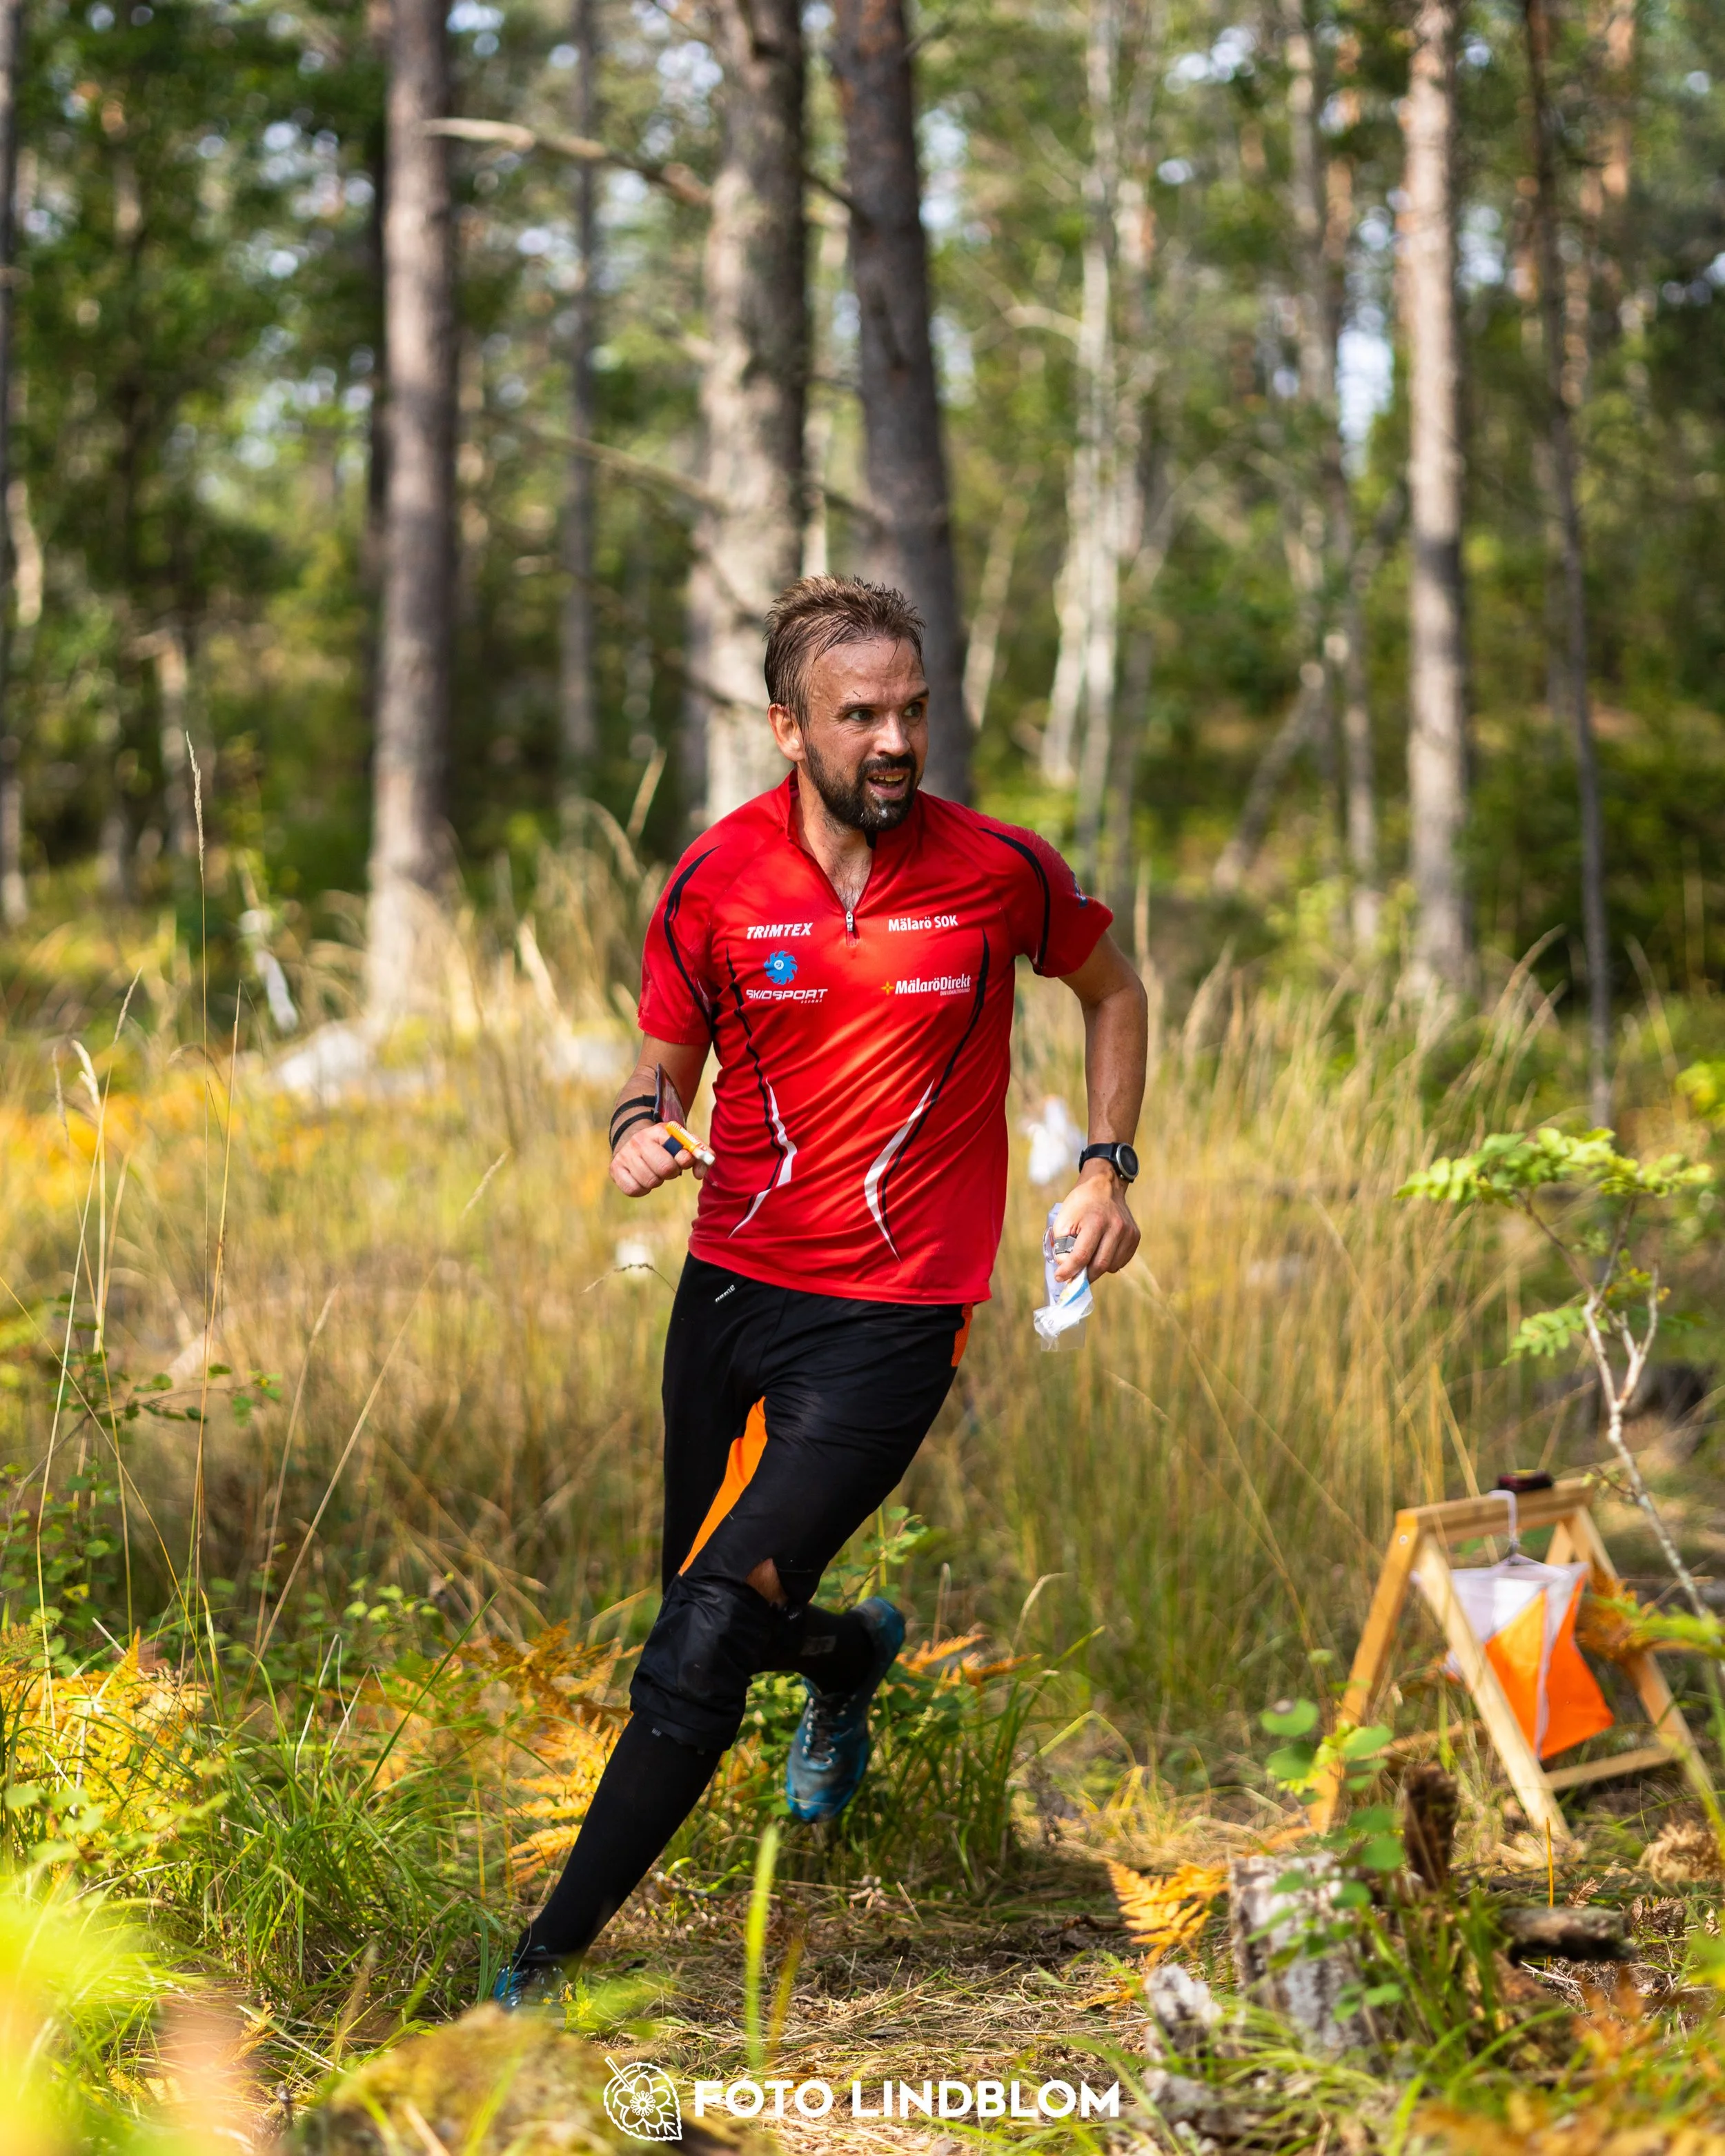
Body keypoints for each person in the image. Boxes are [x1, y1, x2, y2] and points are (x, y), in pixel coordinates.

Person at [495, 575, 1147, 2000]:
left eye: (913, 707)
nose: (897, 738)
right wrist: (630, 1129)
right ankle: (848, 1653)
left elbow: (1113, 990)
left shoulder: (998, 870)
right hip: (730, 1286)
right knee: (697, 1606)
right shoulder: (713, 878)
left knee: (702, 1641)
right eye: (862, 715)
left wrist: (1107, 1165)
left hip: (898, 1312)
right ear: (790, 727)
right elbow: (660, 1061)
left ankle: (536, 1975)